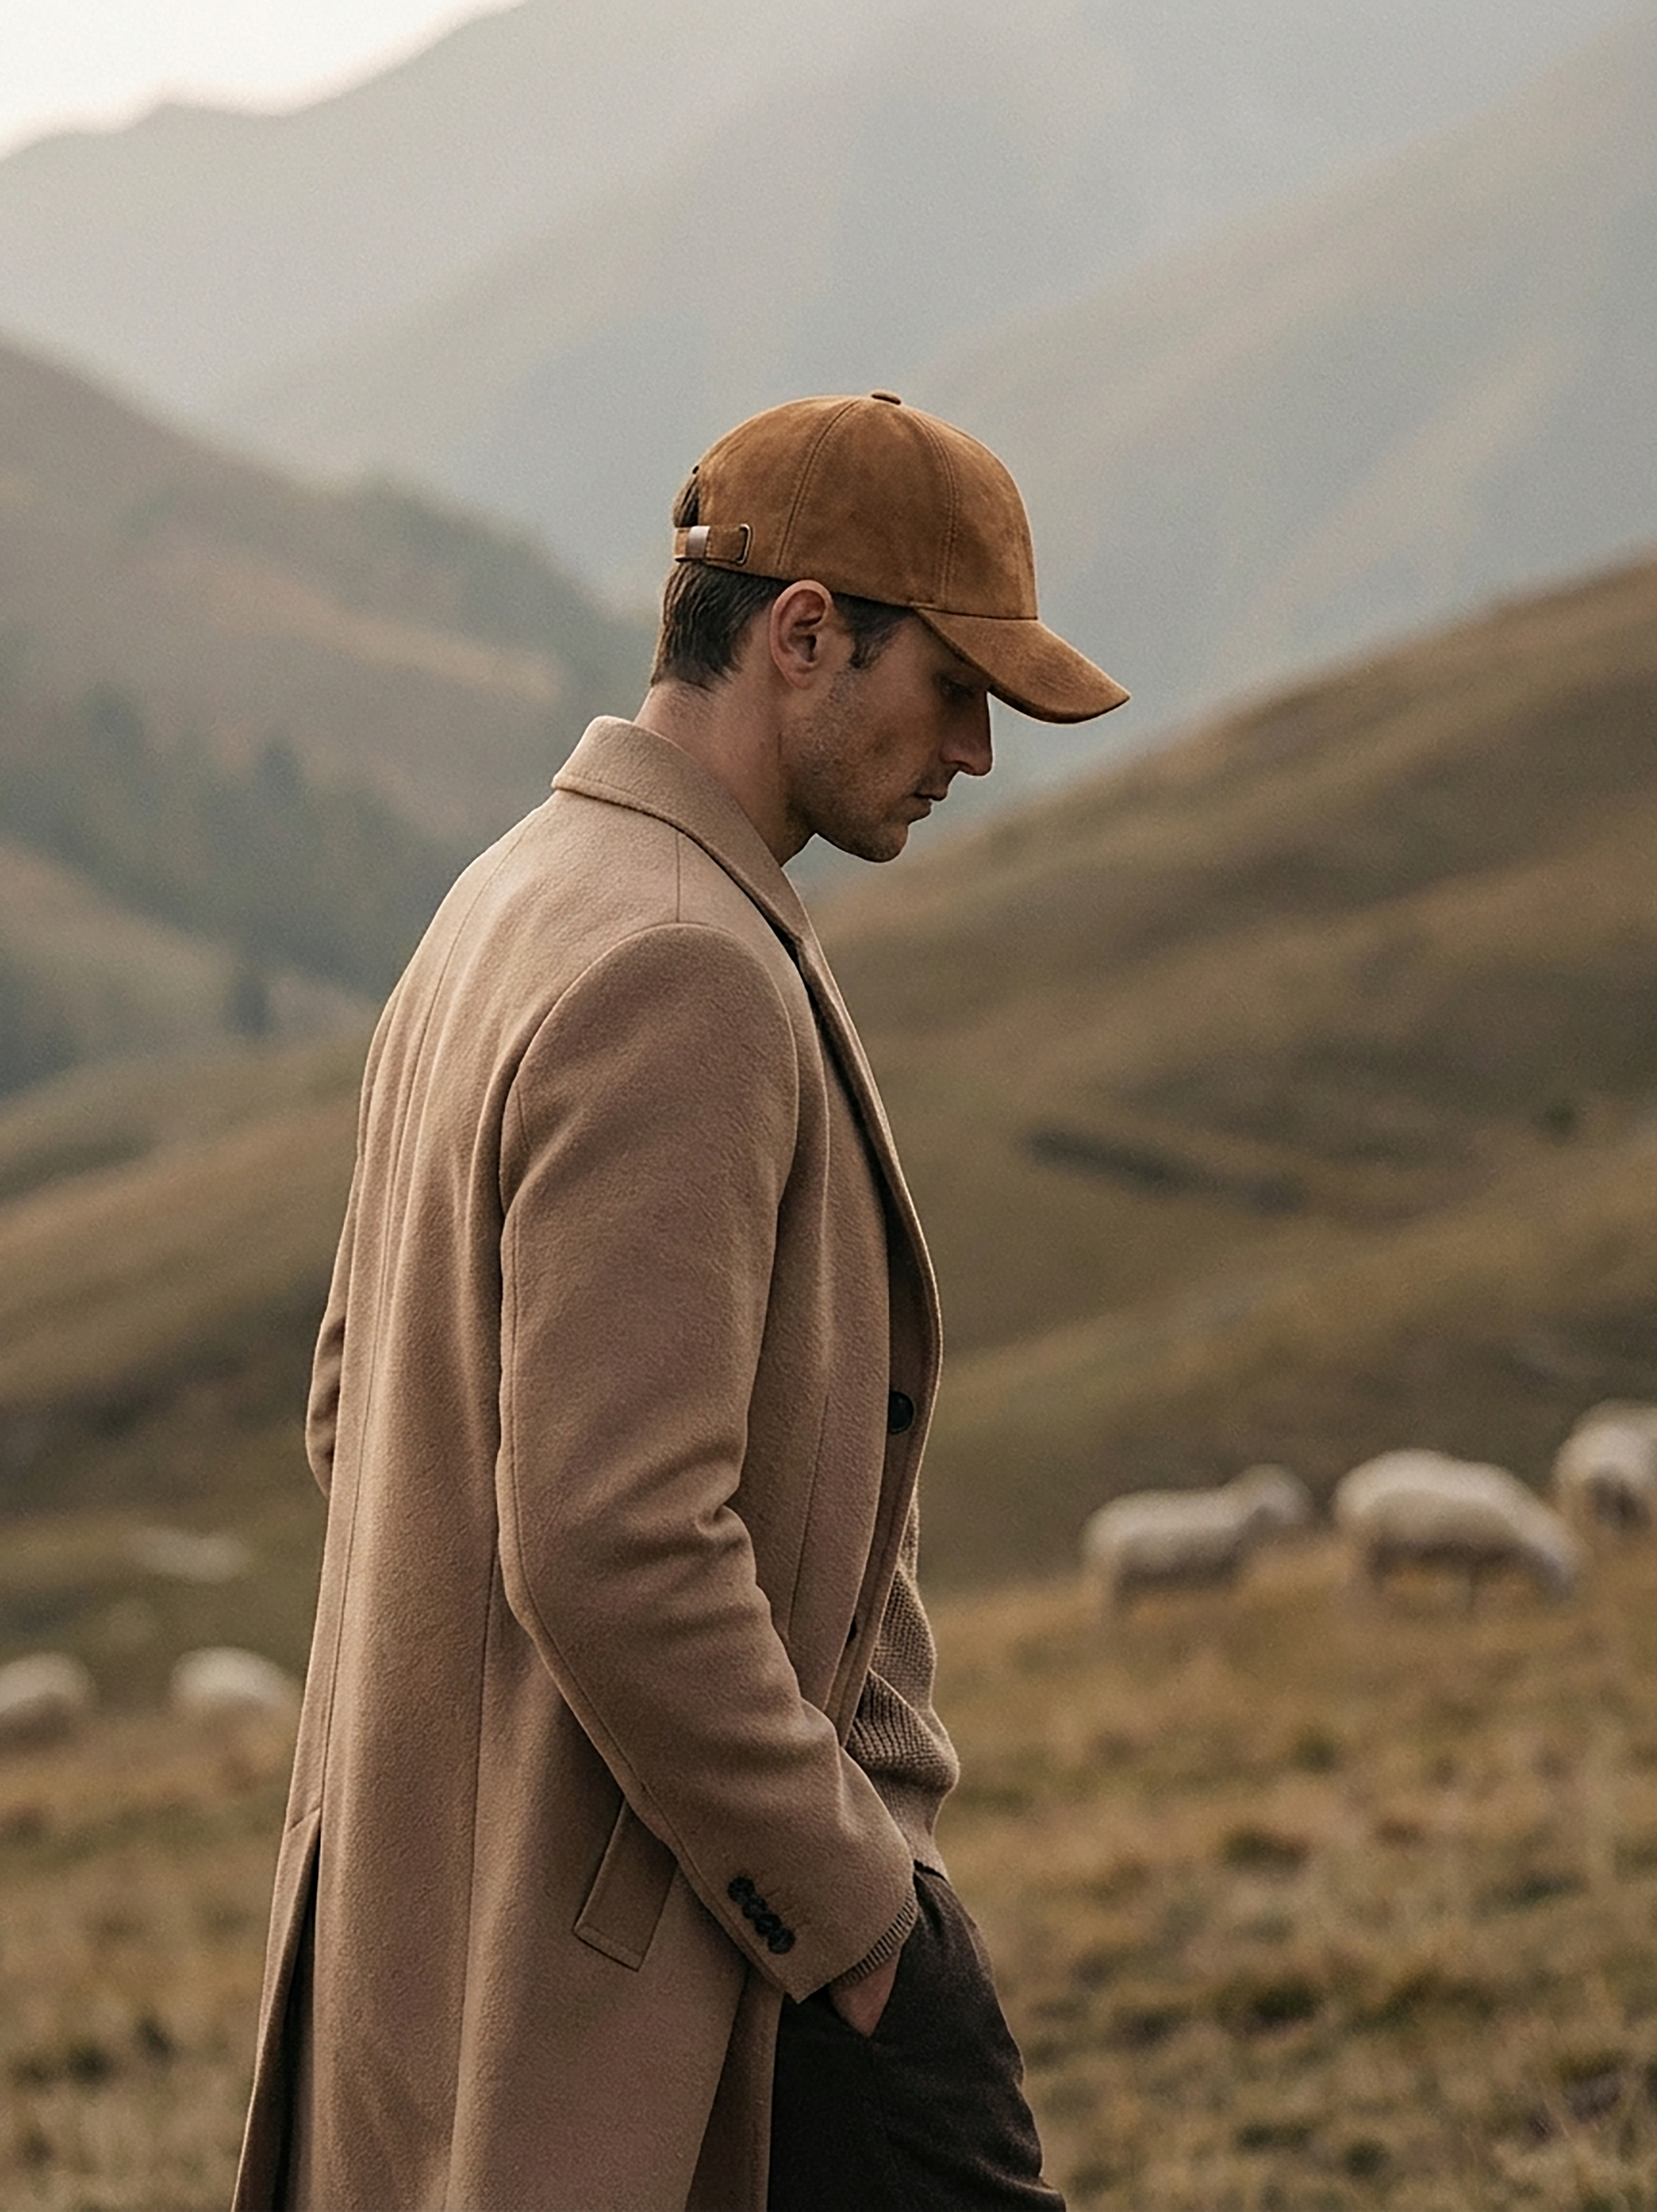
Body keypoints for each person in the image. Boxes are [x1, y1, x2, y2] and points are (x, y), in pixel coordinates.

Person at [231, 391, 1127, 2212]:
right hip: (723, 1965)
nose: (973, 751)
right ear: (804, 635)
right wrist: (862, 1922)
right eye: (951, 686)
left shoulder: (507, 899)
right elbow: (613, 1544)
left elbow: (357, 1408)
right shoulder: (680, 970)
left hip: (469, 1963)